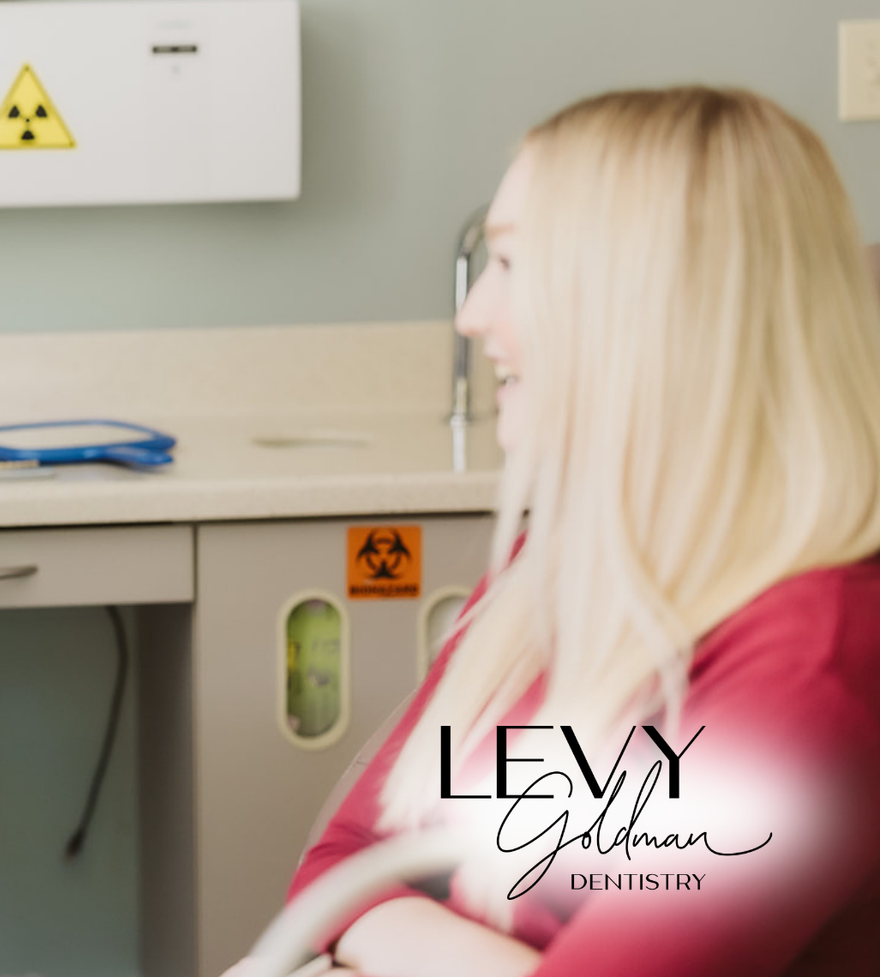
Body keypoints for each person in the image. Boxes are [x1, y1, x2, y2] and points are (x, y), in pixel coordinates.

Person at [230, 87, 880, 976]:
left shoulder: (818, 663)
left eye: (512, 265)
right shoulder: (577, 562)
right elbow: (339, 870)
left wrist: (389, 941)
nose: (472, 317)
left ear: (653, 302)